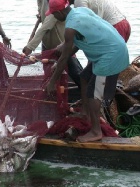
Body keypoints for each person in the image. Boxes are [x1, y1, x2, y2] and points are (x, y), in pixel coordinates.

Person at [45, 0, 129, 142]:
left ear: (59, 12)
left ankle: (96, 131)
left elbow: (65, 56)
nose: (53, 17)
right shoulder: (81, 11)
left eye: (53, 14)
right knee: (84, 77)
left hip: (110, 55)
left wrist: (52, 81)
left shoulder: (70, 27)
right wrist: (64, 47)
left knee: (93, 93)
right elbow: (77, 43)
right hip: (112, 48)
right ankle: (87, 115)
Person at [22, 0, 83, 89]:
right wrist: (40, 14)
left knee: (75, 72)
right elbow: (41, 9)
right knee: (49, 72)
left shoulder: (56, 4)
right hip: (46, 43)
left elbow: (45, 27)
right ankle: (51, 94)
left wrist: (30, 47)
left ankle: (89, 94)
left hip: (61, 46)